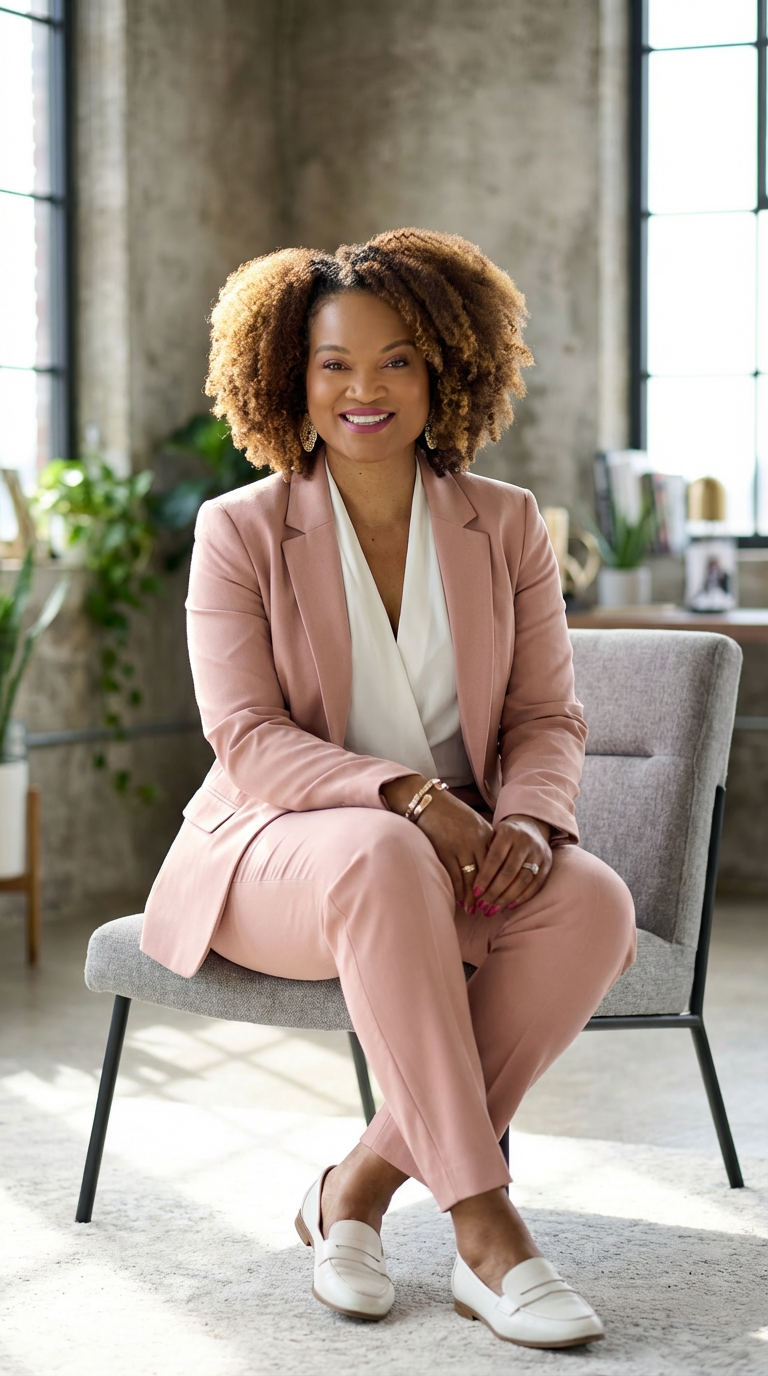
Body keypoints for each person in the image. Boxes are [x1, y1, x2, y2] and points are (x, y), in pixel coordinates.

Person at [141, 228, 636, 1349]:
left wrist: (527, 818)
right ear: (292, 375)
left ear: (444, 370)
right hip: (277, 850)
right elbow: (247, 738)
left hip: (451, 850)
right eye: (335, 364)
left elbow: (545, 717)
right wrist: (409, 793)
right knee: (380, 848)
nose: (364, 389)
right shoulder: (238, 530)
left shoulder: (505, 521)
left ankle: (354, 1189)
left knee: (592, 901)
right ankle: (486, 1229)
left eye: (396, 360)